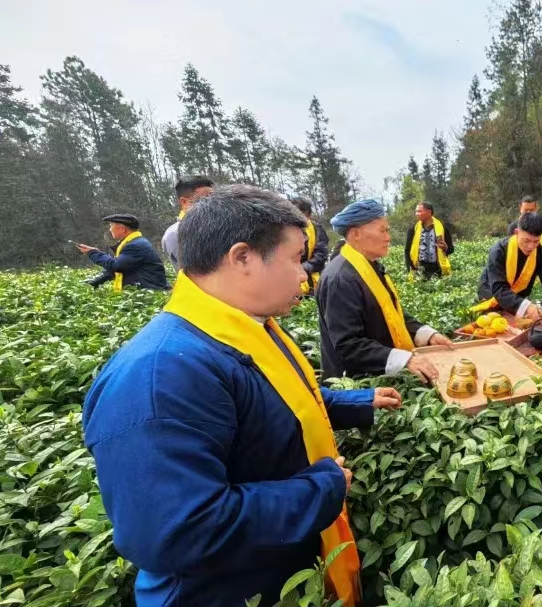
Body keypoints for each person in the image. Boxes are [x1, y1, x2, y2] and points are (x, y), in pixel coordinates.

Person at [82, 185, 402, 606]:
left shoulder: (244, 328)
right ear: (243, 257)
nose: (304, 274)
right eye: (294, 258)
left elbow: (271, 401)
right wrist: (319, 489)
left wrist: (356, 403)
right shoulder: (159, 375)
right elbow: (178, 531)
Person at [317, 199, 453, 383]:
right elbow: (349, 345)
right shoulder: (341, 279)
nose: (388, 237)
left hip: (380, 378)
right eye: (383, 230)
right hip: (357, 386)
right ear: (355, 234)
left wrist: (426, 334)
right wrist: (405, 360)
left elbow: (389, 314)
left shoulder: (369, 266)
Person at [475, 212, 542, 320]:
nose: (531, 247)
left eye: (536, 241)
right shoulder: (498, 251)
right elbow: (499, 288)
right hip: (491, 296)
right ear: (517, 233)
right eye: (526, 240)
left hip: (518, 299)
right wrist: (526, 306)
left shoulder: (541, 253)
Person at [79, 214, 169, 291]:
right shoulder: (133, 242)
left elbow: (117, 266)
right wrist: (96, 281)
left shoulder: (135, 245)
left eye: (111, 226)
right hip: (143, 291)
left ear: (122, 229)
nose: (110, 229)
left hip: (147, 293)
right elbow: (124, 266)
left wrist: (93, 253)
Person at [162, 175, 214, 269]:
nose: (212, 205)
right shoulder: (175, 234)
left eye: (214, 199)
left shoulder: (218, 224)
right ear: (184, 202)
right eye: (204, 200)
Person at [290, 197, 330, 295]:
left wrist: (304, 267)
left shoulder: (316, 229)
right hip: (289, 281)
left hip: (313, 282)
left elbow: (321, 255)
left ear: (308, 214)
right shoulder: (284, 230)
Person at [404, 201, 454, 279]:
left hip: (437, 270)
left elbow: (451, 249)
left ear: (429, 212)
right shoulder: (413, 229)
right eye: (416, 211)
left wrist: (446, 248)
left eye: (419, 211)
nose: (416, 214)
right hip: (419, 269)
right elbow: (407, 250)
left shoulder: (442, 228)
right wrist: (411, 268)